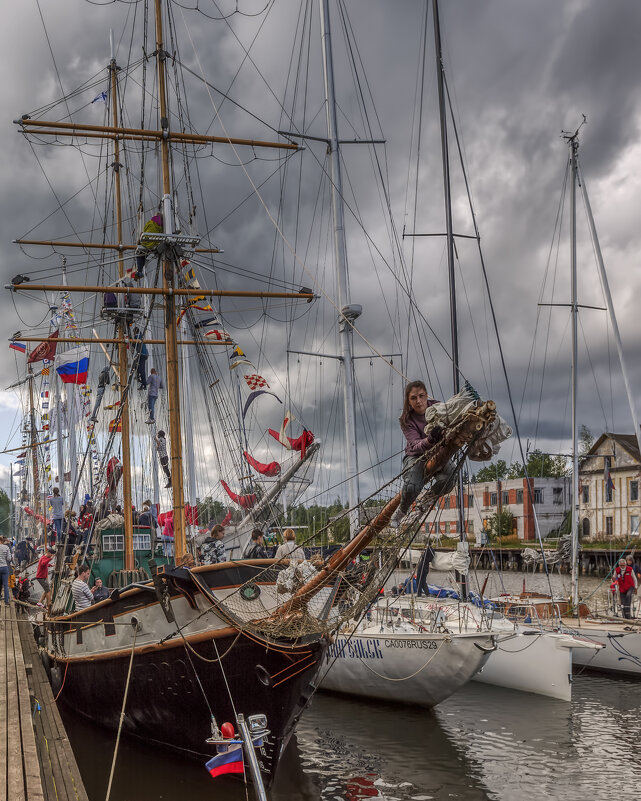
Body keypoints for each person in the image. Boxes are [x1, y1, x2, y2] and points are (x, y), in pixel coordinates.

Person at [398, 381, 443, 516]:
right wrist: (430, 439)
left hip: (438, 451)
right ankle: (402, 511)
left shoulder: (439, 408)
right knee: (412, 486)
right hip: (415, 455)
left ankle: (425, 502)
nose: (418, 401)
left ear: (426, 395)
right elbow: (416, 446)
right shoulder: (406, 420)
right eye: (413, 398)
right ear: (408, 401)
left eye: (421, 396)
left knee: (448, 479)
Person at [134, 213, 163, 279]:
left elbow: (145, 229)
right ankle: (139, 271)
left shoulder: (150, 223)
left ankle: (139, 271)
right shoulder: (161, 226)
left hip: (146, 243)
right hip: (153, 244)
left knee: (140, 255)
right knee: (142, 256)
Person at [0, 536, 12, 606]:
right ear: (2, 541)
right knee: (5, 585)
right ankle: (6, 601)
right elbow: (9, 558)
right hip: (4, 567)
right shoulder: (6, 547)